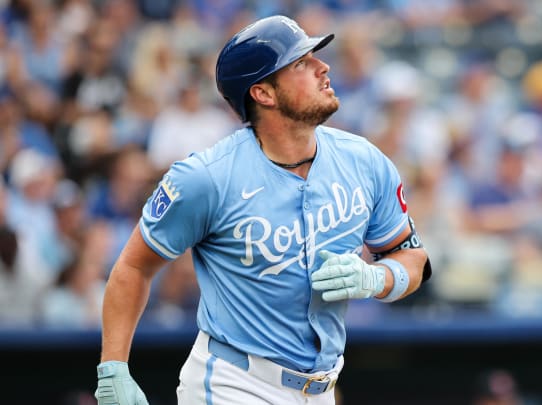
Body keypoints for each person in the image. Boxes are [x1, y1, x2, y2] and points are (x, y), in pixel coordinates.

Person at [94, 15, 431, 405]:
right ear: (264, 94)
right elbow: (135, 266)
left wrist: (377, 279)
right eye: (301, 63)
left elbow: (413, 259)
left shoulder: (365, 161)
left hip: (321, 386)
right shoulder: (206, 177)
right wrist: (113, 368)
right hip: (235, 383)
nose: (324, 68)